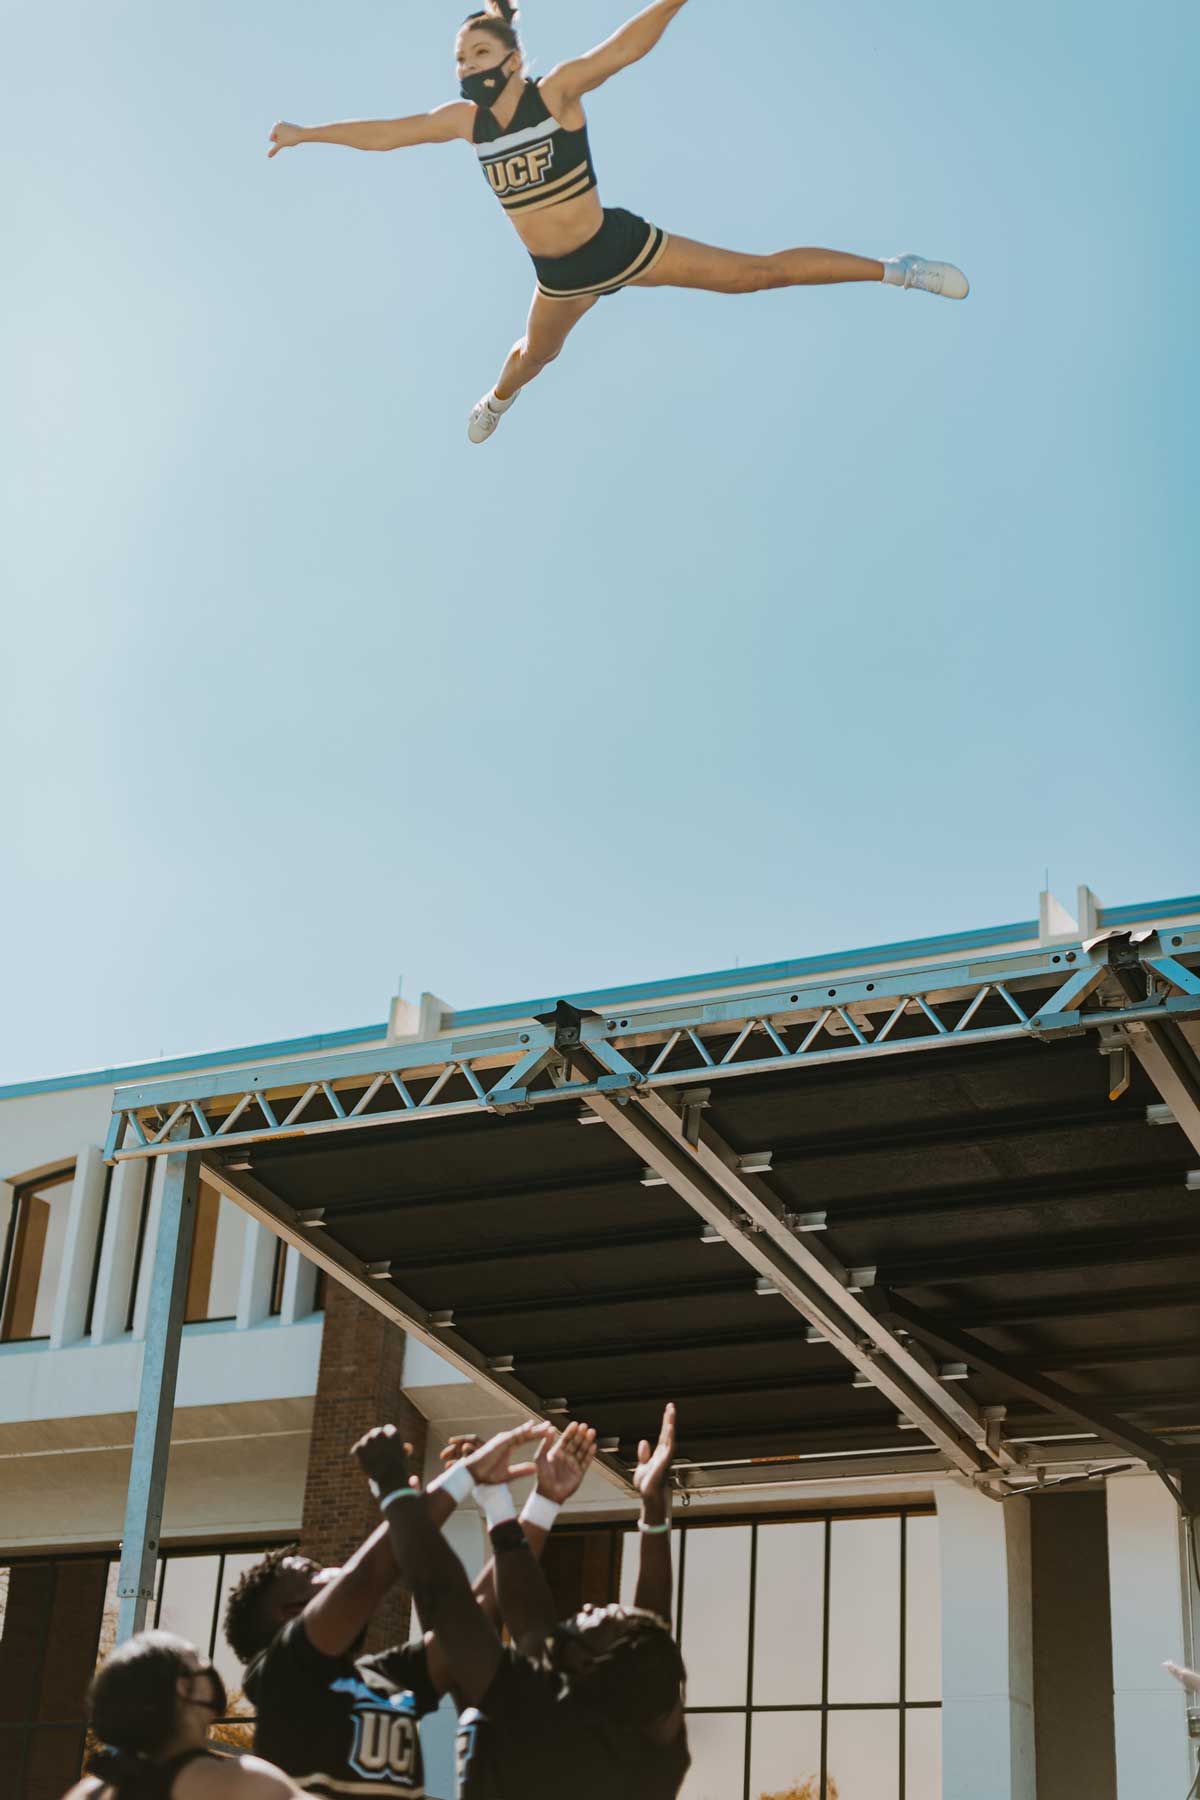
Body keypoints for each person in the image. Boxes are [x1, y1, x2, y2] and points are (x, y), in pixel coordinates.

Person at [267, 1, 970, 445]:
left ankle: (898, 271)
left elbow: (626, 47)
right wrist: (308, 134)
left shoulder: (558, 92)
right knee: (536, 358)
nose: (465, 67)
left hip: (620, 246)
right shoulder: (467, 122)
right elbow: (390, 132)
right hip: (560, 278)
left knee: (759, 276)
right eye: (458, 59)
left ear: (511, 59)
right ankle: (496, 402)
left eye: (478, 53)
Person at [223, 1421, 596, 1798]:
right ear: (289, 1613)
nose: (336, 1568)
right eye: (313, 1572)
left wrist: (539, 1502)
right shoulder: (282, 1675)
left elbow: (473, 1616)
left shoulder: (382, 1677)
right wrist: (454, 1478)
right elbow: (369, 1575)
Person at [351, 1403, 689, 1799]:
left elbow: (450, 1605)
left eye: (604, 1617)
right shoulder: (646, 1748)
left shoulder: (536, 1717)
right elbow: (649, 1638)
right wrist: (652, 1508)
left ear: (586, 1663)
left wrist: (394, 1487)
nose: (589, 1607)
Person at [62, 1630, 298, 1800]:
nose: (211, 1670)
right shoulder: (240, 1781)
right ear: (184, 1687)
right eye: (201, 1662)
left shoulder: (87, 1793)